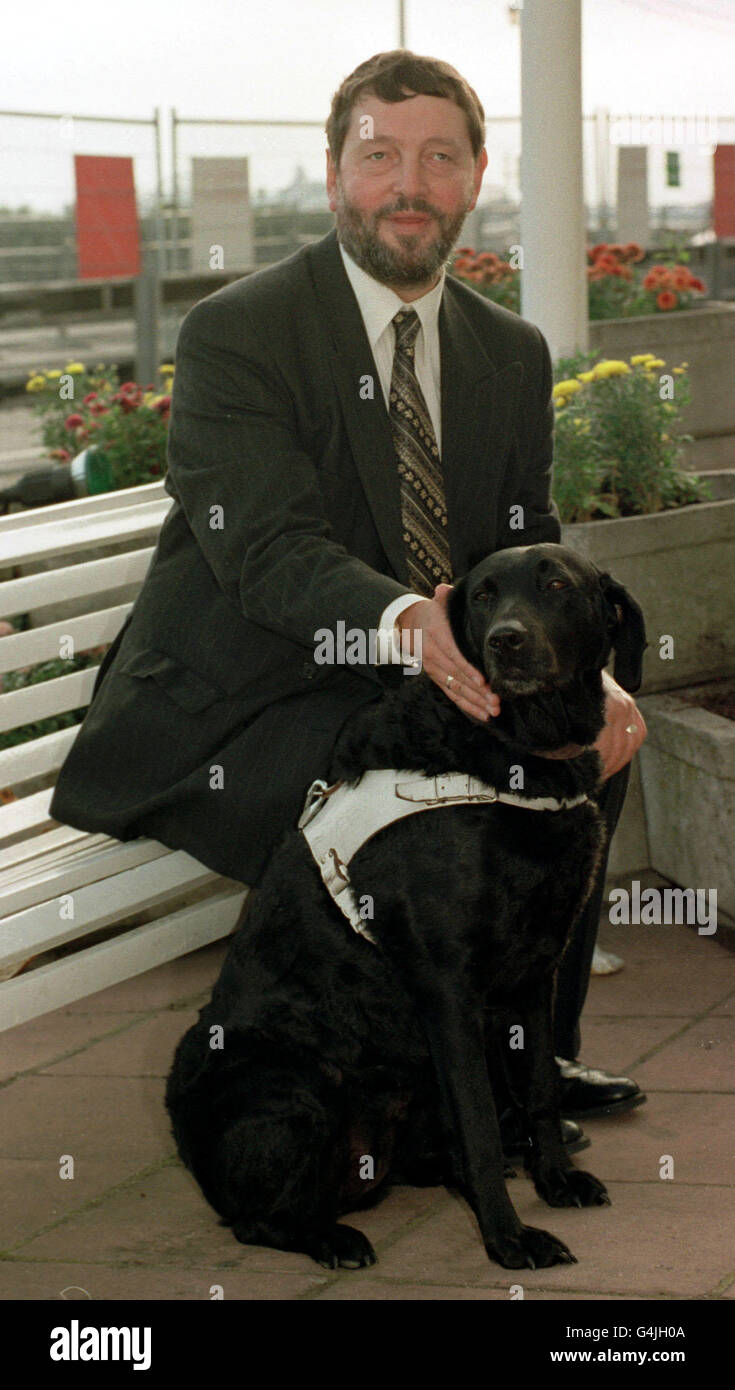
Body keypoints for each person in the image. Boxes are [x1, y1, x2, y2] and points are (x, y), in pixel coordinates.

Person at [49, 49, 647, 1137]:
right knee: (426, 809)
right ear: (335, 177)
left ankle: (535, 1063)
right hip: (241, 703)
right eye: (379, 156)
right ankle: (422, 1087)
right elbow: (268, 550)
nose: (407, 185)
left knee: (580, 732)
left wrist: (596, 678)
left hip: (402, 688)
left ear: (473, 179)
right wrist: (409, 620)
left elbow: (525, 537)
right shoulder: (241, 333)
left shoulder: (509, 353)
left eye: (438, 158)